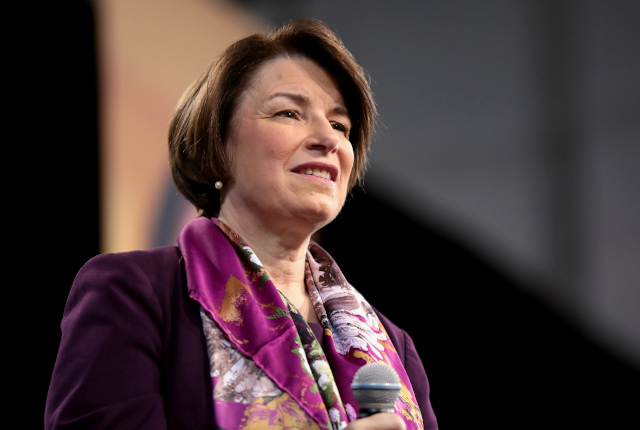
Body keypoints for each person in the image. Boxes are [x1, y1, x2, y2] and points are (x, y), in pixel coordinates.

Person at [45, 17, 438, 430]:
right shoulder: (136, 292)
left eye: (341, 125)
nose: (329, 139)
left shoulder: (394, 346)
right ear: (218, 143)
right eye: (289, 113)